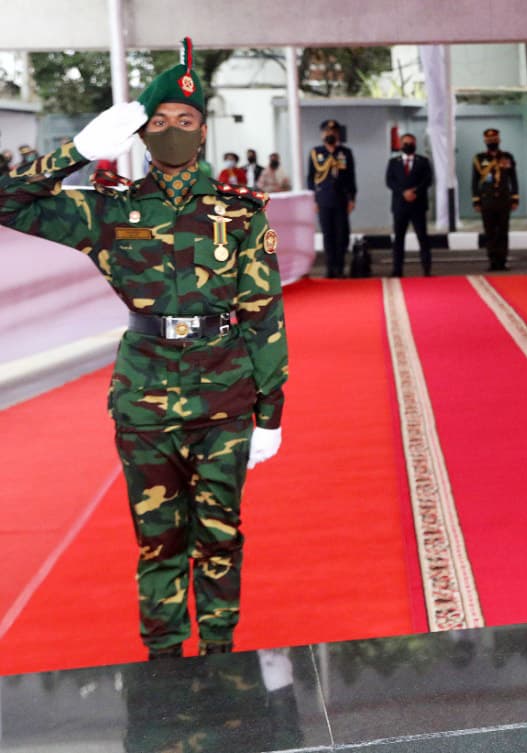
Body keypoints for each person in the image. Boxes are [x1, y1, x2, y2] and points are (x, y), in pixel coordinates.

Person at [0, 37, 288, 657]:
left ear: (205, 131)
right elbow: (6, 201)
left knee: (221, 537)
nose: (173, 132)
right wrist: (75, 152)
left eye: (186, 122)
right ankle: (163, 669)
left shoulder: (239, 214)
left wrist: (271, 412)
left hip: (225, 397)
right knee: (158, 542)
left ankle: (219, 661)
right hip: (145, 402)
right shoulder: (109, 211)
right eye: (159, 123)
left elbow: (264, 315)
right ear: (139, 133)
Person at [307, 118, 357, 278]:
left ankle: (340, 267)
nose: (330, 134)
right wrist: (313, 200)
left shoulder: (345, 152)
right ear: (322, 134)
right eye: (327, 131)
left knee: (342, 234)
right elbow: (311, 178)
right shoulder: (316, 153)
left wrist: (352, 199)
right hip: (324, 199)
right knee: (328, 234)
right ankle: (330, 268)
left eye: (333, 132)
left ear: (338, 134)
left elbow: (351, 177)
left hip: (341, 199)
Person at [384, 132, 433, 277]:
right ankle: (397, 270)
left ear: (415, 144)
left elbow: (428, 180)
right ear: (400, 145)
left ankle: (427, 269)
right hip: (400, 205)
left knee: (423, 238)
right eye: (405, 143)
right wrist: (403, 192)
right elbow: (389, 181)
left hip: (418, 205)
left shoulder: (423, 161)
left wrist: (415, 191)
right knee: (398, 239)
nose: (408, 145)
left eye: (411, 143)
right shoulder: (394, 162)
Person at [472, 127, 519, 271]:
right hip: (487, 200)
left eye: (494, 139)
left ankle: (502, 261)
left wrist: (515, 197)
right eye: (489, 140)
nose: (492, 141)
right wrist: (476, 200)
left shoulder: (507, 157)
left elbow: (513, 179)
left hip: (504, 199)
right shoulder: (479, 159)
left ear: (499, 140)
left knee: (503, 231)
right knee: (490, 232)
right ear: (485, 141)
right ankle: (492, 261)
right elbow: (475, 181)